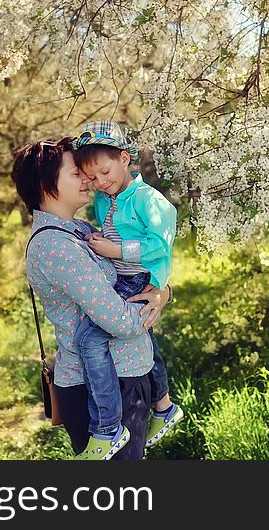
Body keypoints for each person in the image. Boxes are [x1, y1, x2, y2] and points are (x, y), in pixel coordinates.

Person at [11, 138, 172, 460]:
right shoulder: (56, 247)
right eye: (76, 174)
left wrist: (163, 290)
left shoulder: (77, 229)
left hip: (124, 376)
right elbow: (122, 322)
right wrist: (156, 299)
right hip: (101, 389)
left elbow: (135, 270)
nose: (88, 179)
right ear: (47, 185)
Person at [71, 121, 183, 452]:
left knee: (91, 339)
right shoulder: (106, 200)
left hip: (138, 279)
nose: (100, 183)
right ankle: (163, 406)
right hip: (120, 277)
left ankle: (108, 426)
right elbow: (110, 233)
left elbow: (160, 244)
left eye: (105, 172)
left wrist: (116, 251)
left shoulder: (148, 200)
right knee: (146, 339)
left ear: (123, 158)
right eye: (91, 179)